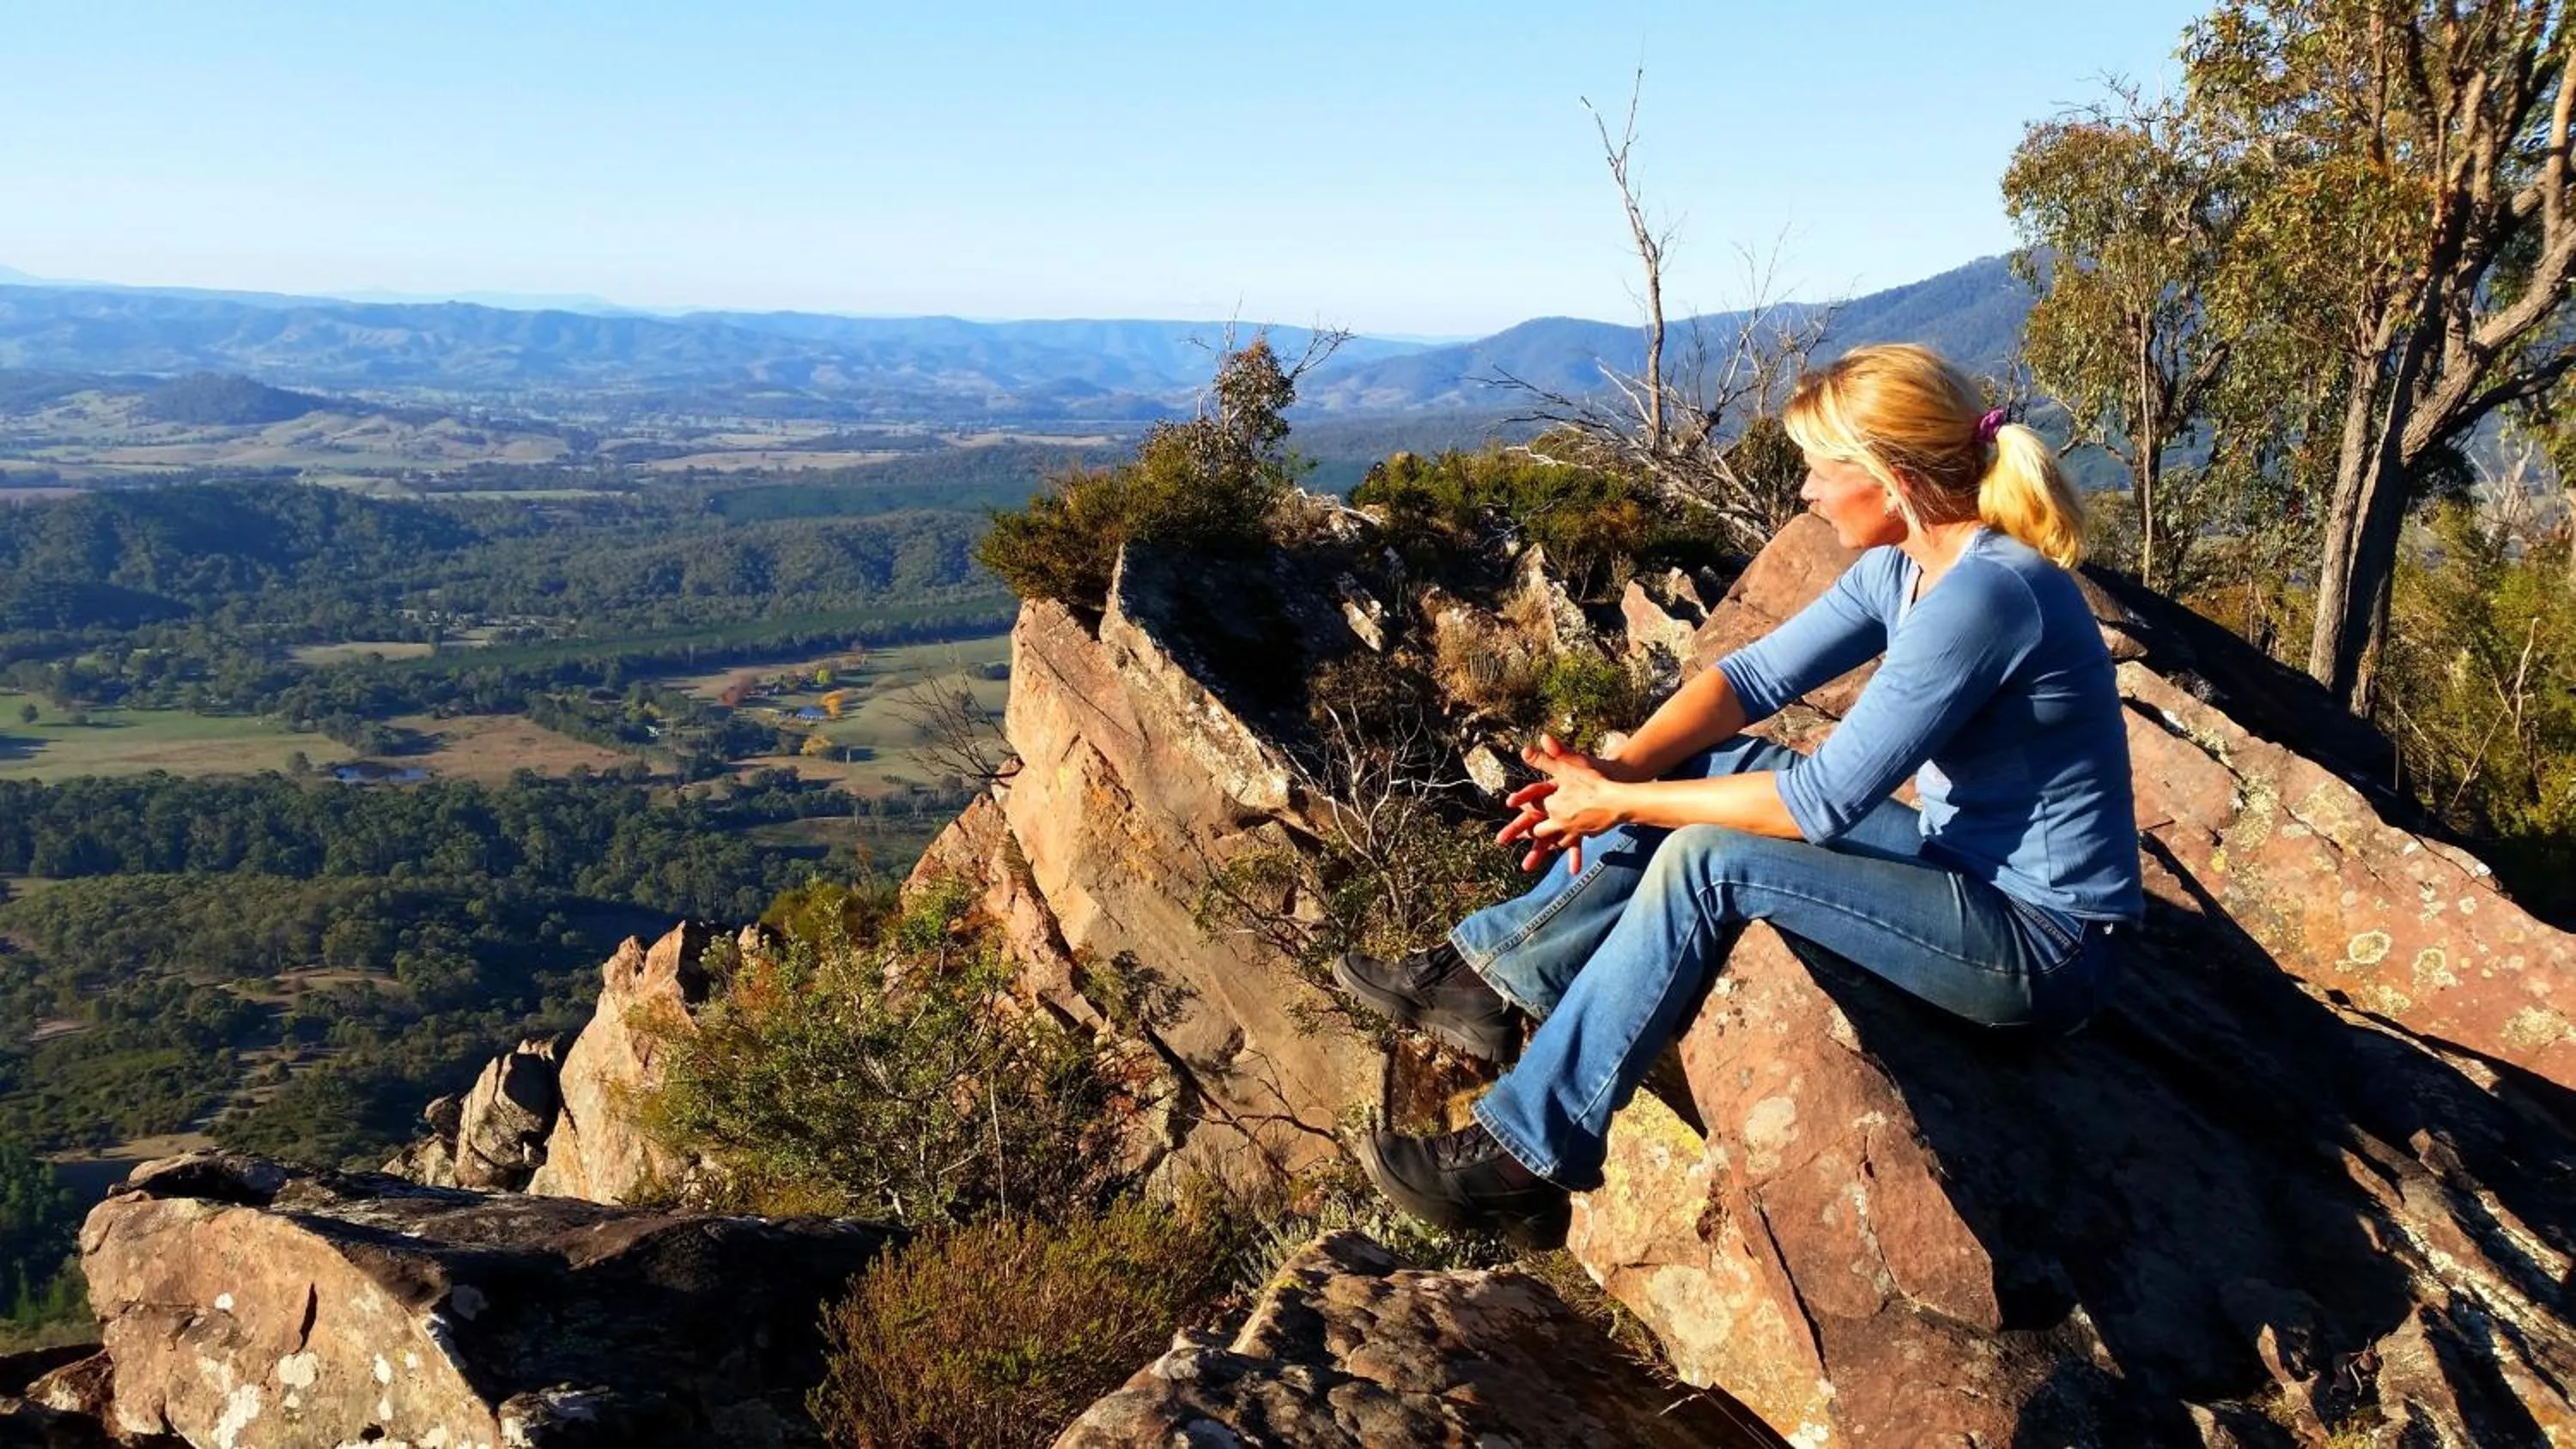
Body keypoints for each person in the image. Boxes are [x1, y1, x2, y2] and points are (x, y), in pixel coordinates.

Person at [1339, 343, 2143, 1247]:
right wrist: (1619, 771)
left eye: (1819, 469)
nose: (1805, 492)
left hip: (2043, 945)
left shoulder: (1986, 596)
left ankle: (1524, 1157)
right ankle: (1490, 977)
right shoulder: (1909, 567)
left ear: (1887, 477)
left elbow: (1821, 802)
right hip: (1960, 873)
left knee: (1707, 857)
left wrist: (1625, 802)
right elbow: (1748, 679)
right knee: (1718, 764)